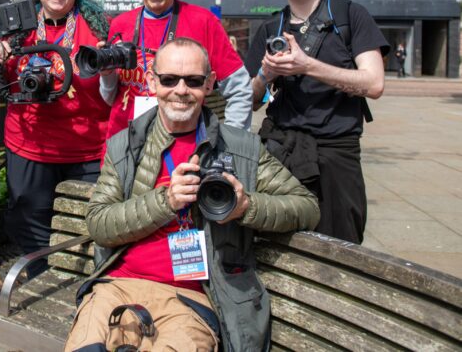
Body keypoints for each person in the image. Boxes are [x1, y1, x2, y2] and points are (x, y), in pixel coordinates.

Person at [65, 38, 319, 351]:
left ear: (209, 84)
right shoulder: (126, 145)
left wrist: (246, 207)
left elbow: (307, 207)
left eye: (194, 81)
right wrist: (165, 201)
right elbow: (99, 224)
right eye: (169, 79)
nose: (181, 90)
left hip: (191, 300)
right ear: (152, 81)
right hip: (118, 286)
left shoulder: (241, 149)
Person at [245, 0, 388, 244]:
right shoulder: (270, 28)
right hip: (280, 150)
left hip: (336, 152)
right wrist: (265, 74)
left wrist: (307, 65)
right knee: (271, 244)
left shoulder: (350, 15)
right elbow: (250, 100)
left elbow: (374, 84)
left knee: (340, 247)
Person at [0, 0, 111, 275]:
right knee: (27, 220)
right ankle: (43, 276)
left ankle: (79, 283)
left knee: (87, 225)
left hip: (86, 147)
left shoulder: (97, 27)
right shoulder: (18, 28)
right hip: (30, 145)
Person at [100, 0, 252, 139]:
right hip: (124, 146)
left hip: (183, 152)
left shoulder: (203, 21)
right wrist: (107, 75)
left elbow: (240, 89)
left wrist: (232, 144)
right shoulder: (120, 24)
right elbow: (110, 98)